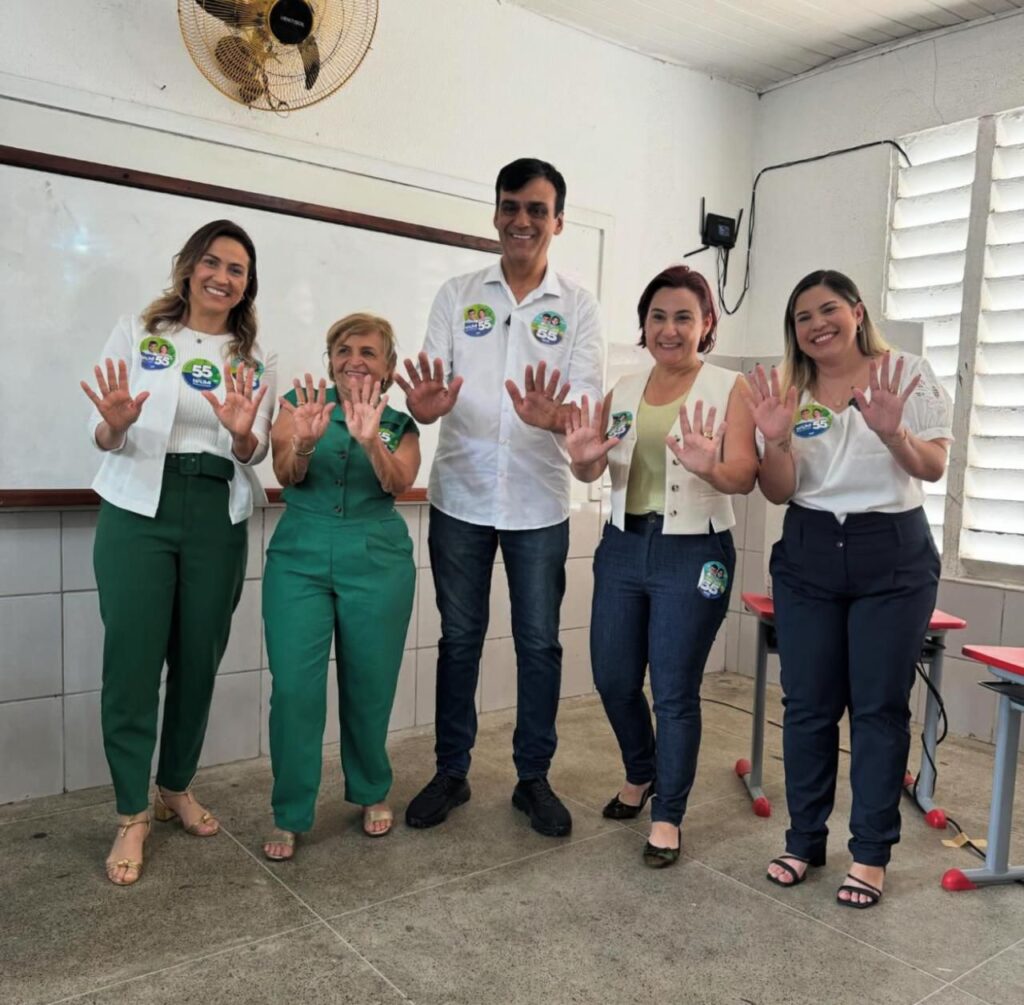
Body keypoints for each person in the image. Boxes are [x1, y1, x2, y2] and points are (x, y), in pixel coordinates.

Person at [395, 157, 603, 837]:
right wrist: (424, 409)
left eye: (537, 210)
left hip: (539, 503)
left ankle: (532, 777)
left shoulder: (578, 307)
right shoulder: (458, 295)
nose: (522, 220)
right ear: (495, 214)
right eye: (511, 206)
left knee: (539, 643)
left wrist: (558, 416)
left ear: (558, 222)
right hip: (460, 494)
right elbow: (429, 395)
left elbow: (585, 402)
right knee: (459, 640)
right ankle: (451, 770)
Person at [745, 269, 951, 908]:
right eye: (802, 317)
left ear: (857, 312)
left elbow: (935, 467)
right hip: (808, 548)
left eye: (828, 309)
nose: (816, 324)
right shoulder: (788, 388)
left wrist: (893, 432)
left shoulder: (907, 371)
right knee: (807, 705)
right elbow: (778, 490)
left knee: (877, 709)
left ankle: (870, 854)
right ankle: (804, 839)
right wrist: (775, 439)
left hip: (891, 551)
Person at [80, 219, 276, 886]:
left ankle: (176, 785)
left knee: (198, 660)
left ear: (247, 286)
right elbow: (101, 428)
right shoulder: (140, 335)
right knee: (132, 664)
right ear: (189, 266)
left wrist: (247, 438)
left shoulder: (252, 360)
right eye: (213, 262)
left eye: (238, 269)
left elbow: (256, 450)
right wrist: (116, 422)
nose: (223, 276)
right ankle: (132, 810)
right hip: (138, 506)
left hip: (214, 510)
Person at [563, 265, 756, 867]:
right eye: (657, 317)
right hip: (623, 546)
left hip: (694, 552)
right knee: (614, 678)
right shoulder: (621, 388)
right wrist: (582, 463)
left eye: (683, 318)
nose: (668, 330)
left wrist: (708, 467)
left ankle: (668, 812)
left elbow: (744, 477)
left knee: (674, 691)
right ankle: (640, 772)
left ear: (706, 327)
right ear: (643, 325)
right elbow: (598, 470)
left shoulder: (732, 388)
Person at [261, 313, 419, 861]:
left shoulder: (399, 421)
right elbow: (286, 473)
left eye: (369, 352)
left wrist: (372, 441)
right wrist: (303, 443)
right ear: (330, 359)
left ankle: (371, 790)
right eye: (345, 349)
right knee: (296, 691)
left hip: (377, 557)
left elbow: (399, 482)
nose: (356, 359)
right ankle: (290, 812)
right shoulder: (300, 403)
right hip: (301, 555)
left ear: (389, 367)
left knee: (370, 685)